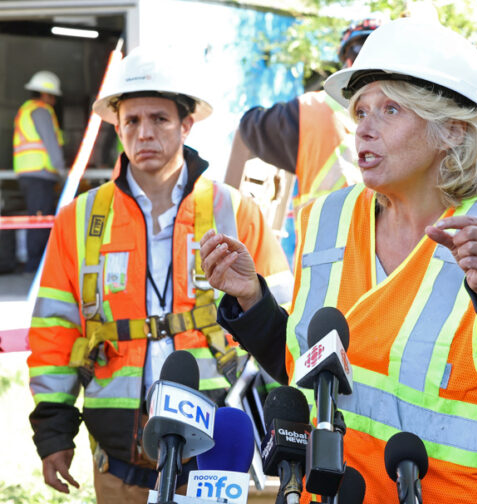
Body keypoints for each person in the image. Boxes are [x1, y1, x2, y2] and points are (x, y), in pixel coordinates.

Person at [201, 18, 477, 504]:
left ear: (451, 131)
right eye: (361, 112)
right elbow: (306, 369)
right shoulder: (325, 218)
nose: (365, 129)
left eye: (390, 110)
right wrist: (252, 299)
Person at [26, 47, 292, 504]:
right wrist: (53, 432)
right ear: (117, 126)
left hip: (215, 460)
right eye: (131, 121)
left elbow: (281, 322)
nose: (144, 133)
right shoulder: (79, 219)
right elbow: (55, 327)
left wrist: (289, 429)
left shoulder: (235, 211)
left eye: (160, 119)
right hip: (118, 463)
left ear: (187, 125)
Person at [234, 17, 382, 212]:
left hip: (323, 238)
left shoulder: (309, 110)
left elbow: (250, 126)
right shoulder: (414, 114)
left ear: (347, 62)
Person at [13, 70, 66, 272]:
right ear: (45, 94)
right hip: (40, 174)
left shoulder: (26, 110)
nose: (54, 101)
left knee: (37, 219)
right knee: (40, 220)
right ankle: (36, 267)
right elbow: (51, 143)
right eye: (53, 96)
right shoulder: (41, 111)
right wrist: (61, 169)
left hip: (30, 173)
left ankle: (36, 265)